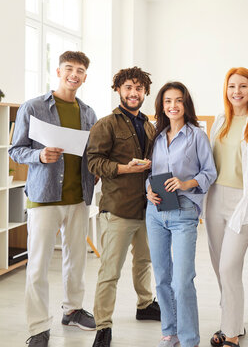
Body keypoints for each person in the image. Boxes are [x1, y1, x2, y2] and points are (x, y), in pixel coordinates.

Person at [9, 51, 98, 347]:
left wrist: (96, 170)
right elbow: (16, 149)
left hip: (79, 197)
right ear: (58, 71)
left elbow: (91, 154)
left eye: (80, 70)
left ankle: (72, 309)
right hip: (44, 198)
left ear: (85, 76)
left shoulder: (88, 113)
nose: (74, 74)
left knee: (76, 261)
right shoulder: (32, 107)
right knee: (38, 265)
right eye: (69, 68)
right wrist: (39, 155)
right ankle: (37, 327)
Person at [87, 67, 161, 347]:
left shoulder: (150, 124)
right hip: (117, 209)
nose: (134, 93)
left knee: (144, 262)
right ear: (118, 89)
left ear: (145, 92)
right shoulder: (106, 124)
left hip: (147, 208)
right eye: (129, 87)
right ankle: (103, 325)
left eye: (139, 88)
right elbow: (93, 162)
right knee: (110, 270)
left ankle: (145, 305)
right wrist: (124, 168)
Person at [205, 67, 248, 347]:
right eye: (232, 86)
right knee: (218, 265)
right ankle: (231, 322)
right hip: (214, 200)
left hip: (244, 202)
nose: (237, 91)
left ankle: (231, 334)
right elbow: (209, 162)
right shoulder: (220, 120)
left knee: (229, 267)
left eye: (243, 86)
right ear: (226, 89)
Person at [146, 82, 217, 347]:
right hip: (155, 212)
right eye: (167, 101)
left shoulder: (196, 135)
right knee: (162, 276)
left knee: (182, 279)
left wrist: (185, 183)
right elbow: (151, 173)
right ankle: (169, 332)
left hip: (184, 211)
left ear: (186, 104)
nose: (173, 106)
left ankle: (189, 340)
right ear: (161, 106)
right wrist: (148, 191)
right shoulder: (157, 135)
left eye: (178, 100)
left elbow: (209, 173)